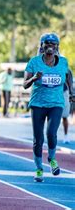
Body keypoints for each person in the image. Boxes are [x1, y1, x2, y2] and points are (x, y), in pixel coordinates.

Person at [23, 33, 73, 183]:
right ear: (42, 46)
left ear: (57, 47)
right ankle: (39, 169)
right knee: (38, 139)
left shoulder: (63, 62)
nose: (50, 46)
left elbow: (68, 75)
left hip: (56, 104)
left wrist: (72, 92)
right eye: (47, 44)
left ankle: (52, 158)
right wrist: (34, 78)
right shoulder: (34, 62)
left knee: (51, 133)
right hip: (38, 104)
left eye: (53, 44)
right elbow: (25, 84)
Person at [62, 69, 73, 143]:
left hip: (63, 92)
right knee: (49, 116)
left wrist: (71, 93)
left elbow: (70, 81)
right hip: (52, 94)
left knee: (65, 116)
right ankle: (51, 135)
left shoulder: (65, 69)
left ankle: (66, 136)